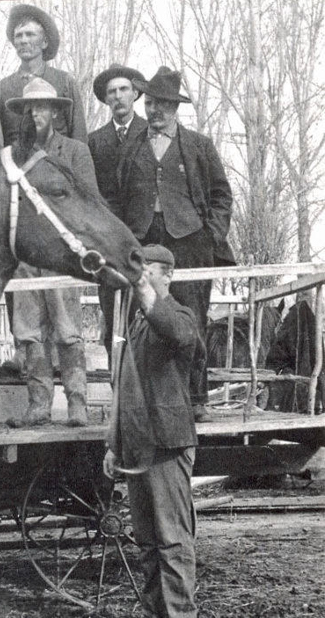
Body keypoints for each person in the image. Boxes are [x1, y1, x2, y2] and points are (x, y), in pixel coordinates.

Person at [111, 66, 235, 422]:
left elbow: (222, 195)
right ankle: (144, 401)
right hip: (142, 242)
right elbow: (116, 197)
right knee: (141, 319)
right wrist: (123, 237)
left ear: (175, 107)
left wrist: (210, 236)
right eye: (150, 103)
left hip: (190, 244)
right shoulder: (131, 146)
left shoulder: (198, 145)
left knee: (192, 318)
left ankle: (195, 398)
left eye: (163, 104)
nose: (155, 110)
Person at [103, 244, 199, 618]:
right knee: (146, 541)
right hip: (138, 443)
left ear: (167, 276)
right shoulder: (134, 323)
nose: (140, 279)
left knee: (172, 539)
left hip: (167, 441)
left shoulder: (180, 315)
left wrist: (143, 291)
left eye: (149, 272)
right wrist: (113, 445)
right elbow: (122, 388)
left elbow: (176, 333)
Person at [4, 78, 99, 428]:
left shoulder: (74, 151)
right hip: (28, 254)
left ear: (56, 112)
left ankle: (77, 403)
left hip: (62, 253)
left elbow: (88, 201)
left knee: (67, 329)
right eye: (29, 109)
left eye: (42, 107)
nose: (35, 115)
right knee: (29, 330)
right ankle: (39, 404)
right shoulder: (14, 155)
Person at [88, 64, 149, 362]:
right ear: (106, 99)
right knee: (114, 323)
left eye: (124, 89)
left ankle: (146, 387)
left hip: (146, 242)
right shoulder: (95, 141)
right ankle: (118, 385)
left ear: (135, 94)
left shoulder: (150, 134)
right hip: (109, 245)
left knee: (148, 320)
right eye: (111, 92)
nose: (118, 96)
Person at [0, 4, 87, 145]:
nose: (23, 40)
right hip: (17, 158)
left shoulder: (65, 82)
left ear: (44, 42)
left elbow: (79, 138)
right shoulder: (2, 89)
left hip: (57, 158)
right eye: (18, 36)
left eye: (30, 34)